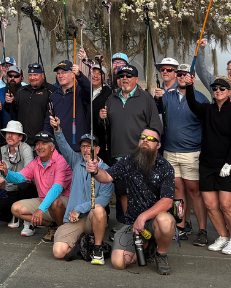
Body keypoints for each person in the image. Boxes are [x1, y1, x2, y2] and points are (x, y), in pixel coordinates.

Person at [87, 128, 177, 275]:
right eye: (142, 137)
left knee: (166, 221)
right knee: (118, 262)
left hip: (154, 221)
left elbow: (167, 202)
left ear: (158, 145)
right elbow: (107, 177)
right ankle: (146, 246)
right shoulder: (128, 161)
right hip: (132, 223)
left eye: (151, 139)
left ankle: (161, 254)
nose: (145, 140)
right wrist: (96, 171)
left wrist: (143, 217)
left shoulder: (165, 167)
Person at [185, 74, 231, 255]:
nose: (218, 91)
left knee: (226, 205)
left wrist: (229, 163)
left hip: (228, 164)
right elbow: (193, 105)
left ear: (229, 92)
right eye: (215, 89)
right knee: (210, 205)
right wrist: (189, 86)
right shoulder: (208, 110)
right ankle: (222, 236)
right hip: (207, 163)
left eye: (222, 89)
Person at [101, 63, 163, 223]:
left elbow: (156, 127)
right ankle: (126, 227)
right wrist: (102, 120)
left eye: (128, 76)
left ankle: (142, 226)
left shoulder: (146, 99)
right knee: (121, 191)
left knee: (139, 192)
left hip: (140, 155)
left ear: (136, 79)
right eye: (121, 76)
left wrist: (151, 150)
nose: (124, 79)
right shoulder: (111, 99)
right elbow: (106, 129)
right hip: (118, 155)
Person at [155, 63, 209, 244]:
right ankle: (180, 224)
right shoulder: (167, 96)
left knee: (194, 191)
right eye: (179, 74)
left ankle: (202, 229)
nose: (182, 77)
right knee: (177, 191)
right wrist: (156, 99)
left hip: (192, 152)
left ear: (192, 77)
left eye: (186, 74)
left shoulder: (201, 98)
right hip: (170, 151)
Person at [48, 115, 113, 264]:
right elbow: (64, 147)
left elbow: (103, 199)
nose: (85, 150)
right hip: (73, 219)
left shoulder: (106, 171)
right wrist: (57, 130)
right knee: (58, 252)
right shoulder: (76, 162)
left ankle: (97, 249)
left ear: (97, 149)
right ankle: (81, 243)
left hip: (91, 218)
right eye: (83, 146)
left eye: (89, 146)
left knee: (98, 209)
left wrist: (79, 208)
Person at [0, 131, 72, 239]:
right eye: (38, 144)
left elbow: (56, 189)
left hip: (64, 204)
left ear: (52, 147)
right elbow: (20, 177)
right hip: (45, 202)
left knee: (55, 202)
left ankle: (65, 231)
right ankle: (52, 226)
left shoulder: (61, 161)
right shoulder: (36, 161)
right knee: (15, 208)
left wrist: (41, 209)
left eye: (44, 144)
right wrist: (6, 172)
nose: (39, 147)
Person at [0, 120, 34, 228]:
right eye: (7, 133)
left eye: (13, 133)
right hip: (10, 193)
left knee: (24, 185)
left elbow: (28, 173)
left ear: (20, 137)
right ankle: (14, 216)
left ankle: (28, 223)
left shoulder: (26, 149)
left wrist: (4, 178)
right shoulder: (0, 151)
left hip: (26, 191)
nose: (9, 136)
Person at [50, 59, 93, 147]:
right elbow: (48, 120)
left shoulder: (80, 91)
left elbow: (89, 90)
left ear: (73, 74)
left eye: (64, 72)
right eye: (58, 73)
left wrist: (80, 75)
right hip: (59, 148)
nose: (60, 76)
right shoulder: (54, 95)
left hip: (78, 147)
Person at [4, 62, 52, 138]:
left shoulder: (50, 91)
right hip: (23, 139)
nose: (32, 78)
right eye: (30, 75)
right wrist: (9, 103)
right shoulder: (22, 90)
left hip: (42, 138)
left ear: (42, 75)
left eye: (35, 75)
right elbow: (13, 110)